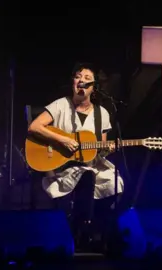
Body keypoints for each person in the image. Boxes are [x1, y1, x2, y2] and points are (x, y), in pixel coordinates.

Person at [28, 63, 124, 251]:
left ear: (93, 87)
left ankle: (96, 228)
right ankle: (80, 230)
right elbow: (34, 127)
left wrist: (108, 148)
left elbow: (99, 147)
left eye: (87, 78)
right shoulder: (60, 105)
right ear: (73, 82)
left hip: (91, 164)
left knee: (115, 182)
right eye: (78, 76)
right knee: (86, 176)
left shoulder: (101, 113)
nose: (82, 81)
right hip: (62, 166)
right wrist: (62, 140)